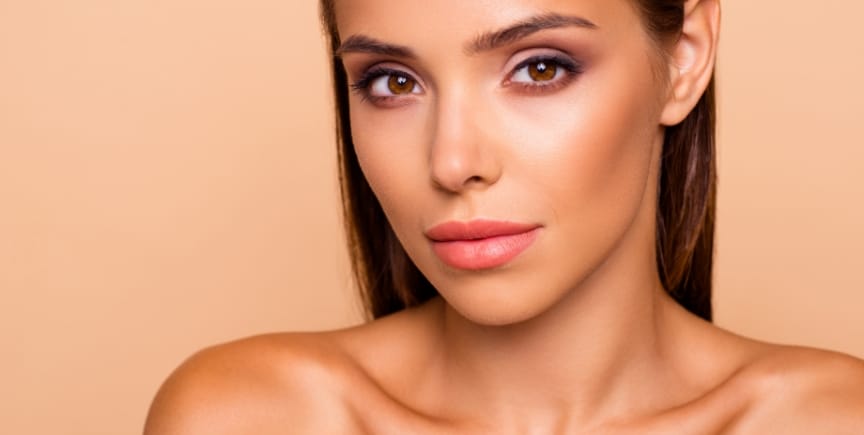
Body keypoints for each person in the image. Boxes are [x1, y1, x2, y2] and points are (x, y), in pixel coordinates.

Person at [144, 0, 864, 433]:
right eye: (392, 82)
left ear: (685, 57)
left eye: (539, 68)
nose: (452, 162)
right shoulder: (252, 418)